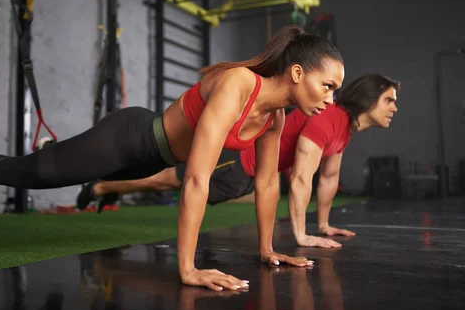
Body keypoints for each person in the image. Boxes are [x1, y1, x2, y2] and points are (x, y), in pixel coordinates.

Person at [0, 25, 344, 292]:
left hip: (147, 159)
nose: (330, 99)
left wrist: (267, 250)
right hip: (129, 138)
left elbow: (266, 184)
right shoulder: (238, 85)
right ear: (298, 72)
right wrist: (187, 270)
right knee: (25, 175)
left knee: (52, 168)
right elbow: (196, 180)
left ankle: (60, 157)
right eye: (327, 86)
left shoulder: (275, 117)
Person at [76, 74, 400, 249]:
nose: (393, 108)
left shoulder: (343, 129)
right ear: (368, 98)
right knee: (170, 179)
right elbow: (301, 177)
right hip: (241, 163)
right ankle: (102, 186)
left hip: (250, 174)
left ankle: (107, 187)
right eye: (389, 100)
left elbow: (329, 178)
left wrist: (325, 225)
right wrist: (301, 236)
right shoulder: (329, 117)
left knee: (170, 179)